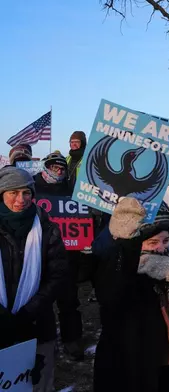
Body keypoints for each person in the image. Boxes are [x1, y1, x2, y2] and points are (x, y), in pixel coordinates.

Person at [93, 198, 169, 392]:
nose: (161, 248)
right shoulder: (121, 268)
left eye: (165, 241)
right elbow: (109, 295)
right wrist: (127, 248)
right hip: (136, 365)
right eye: (152, 242)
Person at [0, 166, 69, 392]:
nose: (21, 199)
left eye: (26, 193)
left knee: (37, 383)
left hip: (37, 325)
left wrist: (29, 311)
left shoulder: (48, 229)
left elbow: (57, 276)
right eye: (13, 192)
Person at [32, 152, 85, 360]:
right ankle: (42, 342)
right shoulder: (33, 189)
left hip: (66, 254)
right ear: (46, 167)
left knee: (69, 300)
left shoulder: (72, 192)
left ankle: (72, 339)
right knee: (40, 301)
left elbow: (82, 219)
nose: (59, 171)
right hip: (38, 254)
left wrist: (85, 239)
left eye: (62, 168)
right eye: (54, 167)